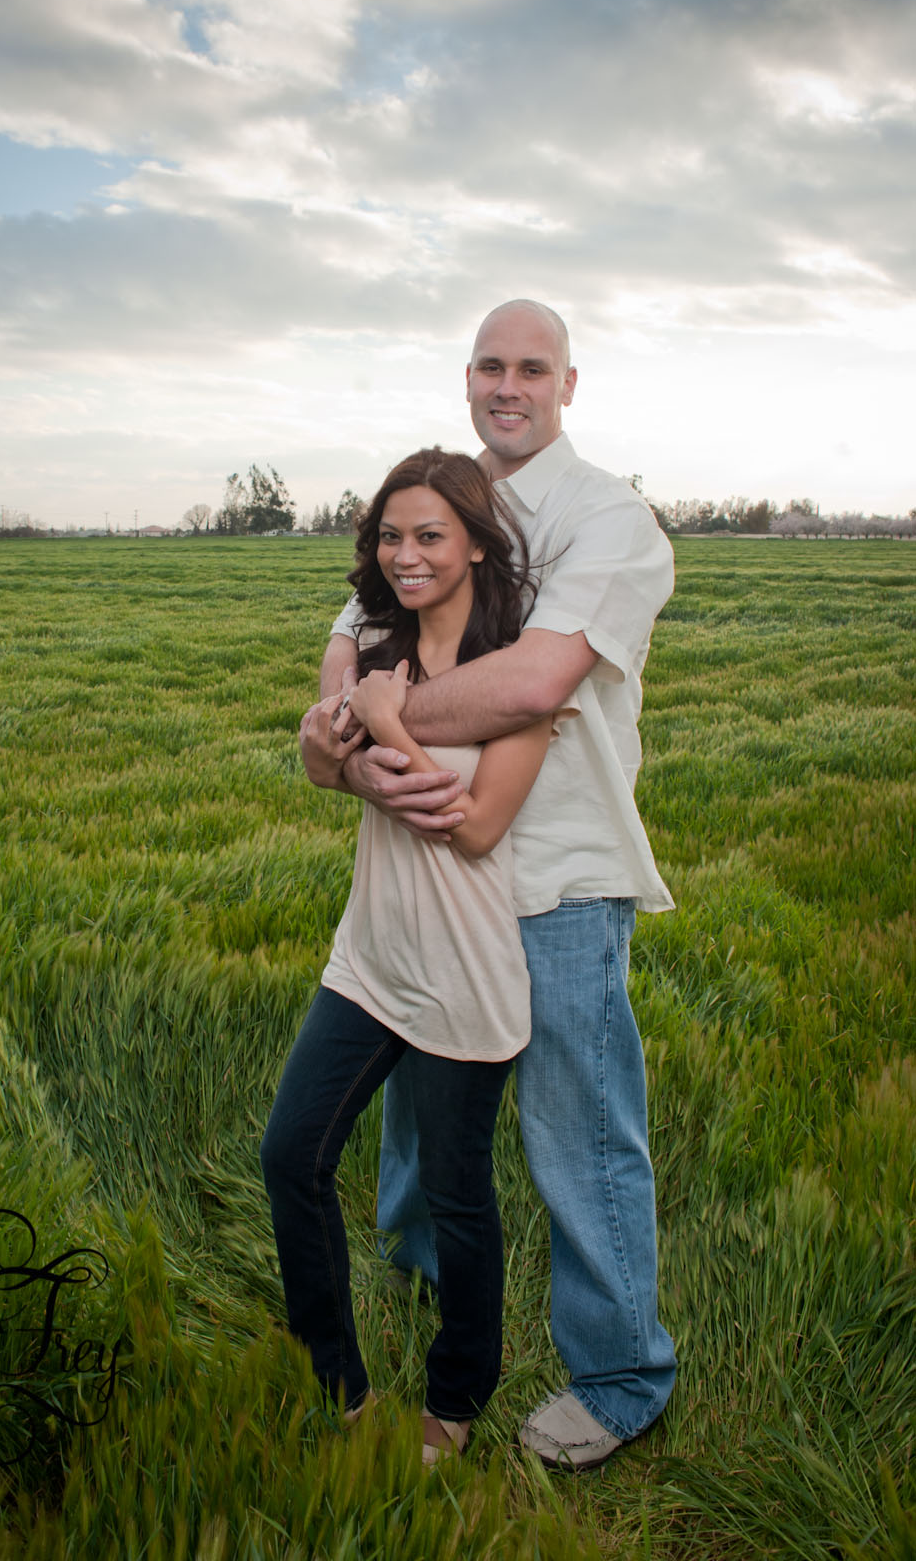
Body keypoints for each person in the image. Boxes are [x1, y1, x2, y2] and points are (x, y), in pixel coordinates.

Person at [299, 298, 677, 1471]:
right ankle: (429, 1282)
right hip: (423, 879)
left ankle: (619, 1378)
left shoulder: (607, 518)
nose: (506, 384)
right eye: (488, 365)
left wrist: (376, 717)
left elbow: (531, 686)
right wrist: (331, 742)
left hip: (554, 876)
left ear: (569, 385)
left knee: (577, 1132)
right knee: (420, 1122)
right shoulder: (444, 507)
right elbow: (343, 656)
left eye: (532, 367)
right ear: (467, 378)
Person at [262, 447, 572, 1466]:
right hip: (368, 960)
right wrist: (340, 748)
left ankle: (453, 1400)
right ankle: (338, 1389)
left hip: (464, 978)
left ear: (476, 541)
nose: (404, 554)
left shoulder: (519, 673)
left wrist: (383, 727)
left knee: (456, 1198)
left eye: (429, 534)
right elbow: (324, 754)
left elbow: (476, 826)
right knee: (289, 1157)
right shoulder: (368, 646)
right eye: (389, 535)